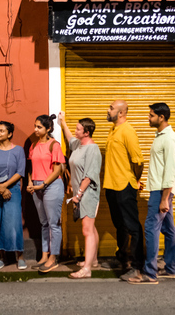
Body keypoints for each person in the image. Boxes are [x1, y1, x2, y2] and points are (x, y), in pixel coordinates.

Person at [128, 102, 175, 285]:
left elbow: (171, 167)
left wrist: (165, 198)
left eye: (151, 115)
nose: (148, 118)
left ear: (161, 117)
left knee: (151, 229)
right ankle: (171, 269)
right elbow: (169, 165)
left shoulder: (169, 138)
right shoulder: (161, 136)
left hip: (161, 192)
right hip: (162, 188)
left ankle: (150, 274)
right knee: (168, 229)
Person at [104, 99, 145, 282]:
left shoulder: (128, 131)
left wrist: (135, 180)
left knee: (133, 226)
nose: (108, 110)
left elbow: (138, 160)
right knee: (120, 225)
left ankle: (137, 268)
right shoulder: (113, 130)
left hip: (124, 185)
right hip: (111, 186)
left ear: (121, 113)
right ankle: (124, 260)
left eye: (111, 108)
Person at [58, 112, 102, 280]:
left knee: (87, 230)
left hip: (88, 193)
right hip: (80, 192)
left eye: (79, 129)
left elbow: (89, 175)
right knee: (91, 227)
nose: (76, 131)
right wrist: (63, 123)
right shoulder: (78, 145)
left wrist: (78, 194)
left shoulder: (92, 149)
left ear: (87, 133)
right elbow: (69, 138)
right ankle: (94, 260)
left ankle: (87, 269)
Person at [0, 121, 27, 270]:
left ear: (10, 134)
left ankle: (20, 257)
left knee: (13, 224)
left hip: (12, 190)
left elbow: (20, 172)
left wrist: (5, 186)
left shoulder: (18, 150)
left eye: (2, 131)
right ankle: (2, 258)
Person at [26, 114, 66, 273]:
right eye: (35, 126)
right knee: (44, 223)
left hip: (51, 186)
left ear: (48, 128)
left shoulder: (54, 145)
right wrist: (30, 182)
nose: (35, 129)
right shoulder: (33, 145)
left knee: (53, 223)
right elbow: (31, 167)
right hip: (36, 186)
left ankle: (53, 257)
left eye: (39, 127)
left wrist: (42, 184)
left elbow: (57, 170)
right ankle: (44, 255)